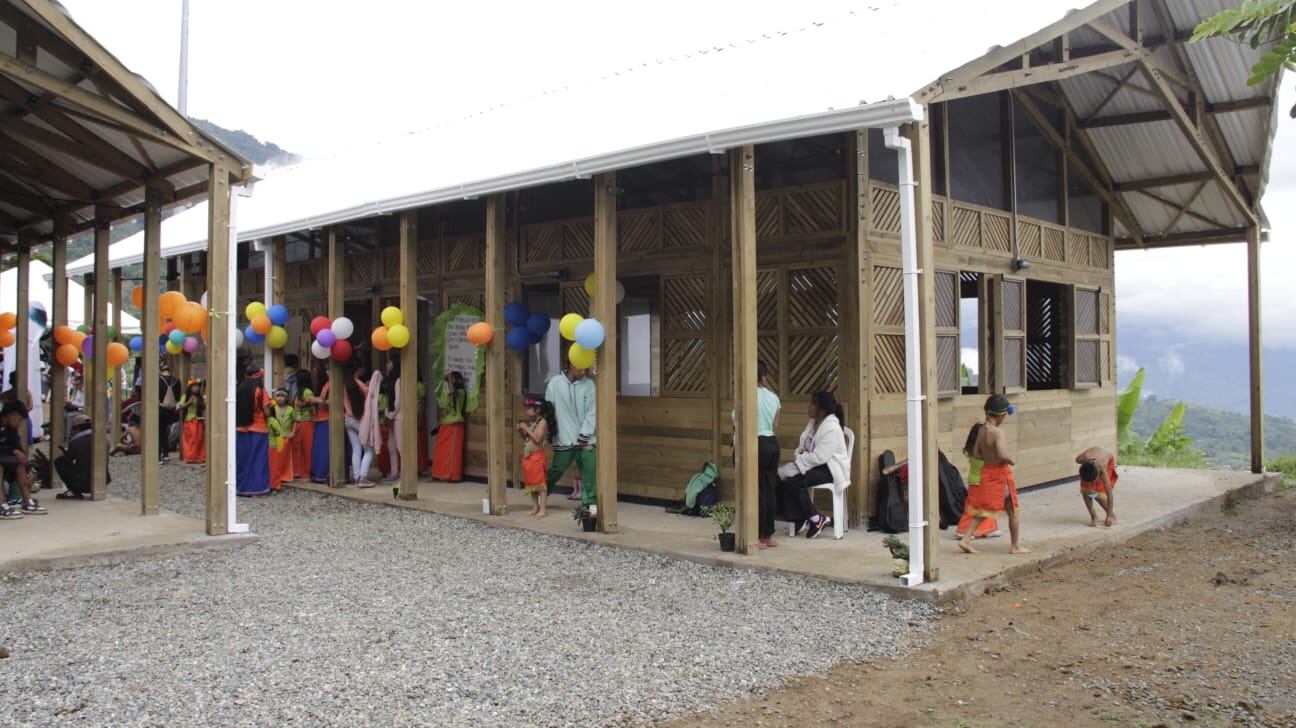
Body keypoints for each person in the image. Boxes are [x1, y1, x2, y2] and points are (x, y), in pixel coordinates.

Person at [960, 395, 1030, 555]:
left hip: (987, 472)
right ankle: (1015, 546)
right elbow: (1002, 454)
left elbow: (977, 452)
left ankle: (966, 539)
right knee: (1013, 509)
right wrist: (1010, 460)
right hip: (1000, 474)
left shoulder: (982, 430)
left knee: (984, 509)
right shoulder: (998, 432)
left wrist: (988, 457)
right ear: (1001, 415)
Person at [775, 390, 849, 539]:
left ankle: (816, 519)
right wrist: (799, 457)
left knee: (794, 482)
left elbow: (821, 456)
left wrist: (800, 462)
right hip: (812, 465)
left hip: (830, 468)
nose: (809, 407)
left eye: (812, 404)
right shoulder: (813, 423)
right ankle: (801, 517)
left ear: (822, 410)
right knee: (780, 479)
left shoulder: (832, 427)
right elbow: (802, 446)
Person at [732, 361, 782, 548]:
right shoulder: (774, 398)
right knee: (770, 490)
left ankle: (755, 534)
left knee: (756, 490)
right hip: (772, 445)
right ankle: (767, 535)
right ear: (762, 377)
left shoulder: (745, 397)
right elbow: (775, 427)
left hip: (755, 444)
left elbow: (738, 424)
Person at [545, 360, 597, 509]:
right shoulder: (555, 383)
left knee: (589, 471)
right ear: (571, 365)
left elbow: (592, 411)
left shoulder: (589, 384)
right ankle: (540, 494)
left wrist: (585, 434)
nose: (584, 372)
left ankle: (590, 505)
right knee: (556, 470)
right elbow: (549, 409)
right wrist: (550, 431)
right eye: (581, 368)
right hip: (564, 437)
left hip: (586, 439)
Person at [955, 423, 1001, 540]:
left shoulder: (971, 450)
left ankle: (987, 529)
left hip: (973, 482)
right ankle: (964, 529)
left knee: (979, 506)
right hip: (982, 482)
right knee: (982, 507)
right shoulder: (982, 452)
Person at [0, 401, 45, 515]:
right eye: (20, 419)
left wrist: (29, 469)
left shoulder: (11, 430)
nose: (20, 423)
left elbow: (19, 451)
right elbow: (14, 450)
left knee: (20, 465)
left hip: (4, 458)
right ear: (12, 414)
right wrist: (13, 451)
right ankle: (0, 505)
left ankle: (27, 502)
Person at [234, 364, 272, 496]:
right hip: (259, 429)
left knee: (243, 459)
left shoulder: (239, 389)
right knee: (258, 459)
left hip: (241, 429)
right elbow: (267, 411)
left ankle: (241, 487)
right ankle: (258, 487)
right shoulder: (260, 390)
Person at [432, 370, 471, 482]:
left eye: (452, 379)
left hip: (455, 424)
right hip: (445, 424)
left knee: (453, 452)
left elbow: (452, 393)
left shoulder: (461, 392)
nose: (450, 381)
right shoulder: (448, 391)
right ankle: (439, 473)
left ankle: (453, 476)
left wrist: (449, 379)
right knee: (440, 449)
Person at [518, 395, 552, 517]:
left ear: (537, 410)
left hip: (537, 456)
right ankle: (535, 507)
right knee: (531, 483)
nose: (527, 410)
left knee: (540, 484)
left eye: (529, 408)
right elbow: (527, 439)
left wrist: (526, 428)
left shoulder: (542, 423)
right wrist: (521, 430)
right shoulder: (533, 423)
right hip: (529, 456)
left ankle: (542, 509)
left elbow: (537, 439)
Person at [344, 364, 378, 486]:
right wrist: (370, 384)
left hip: (348, 420)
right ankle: (363, 478)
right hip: (359, 421)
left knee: (356, 449)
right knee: (369, 449)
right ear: (358, 370)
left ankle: (357, 477)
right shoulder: (358, 383)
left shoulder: (344, 385)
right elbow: (370, 395)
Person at [54, 413, 94, 499]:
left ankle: (74, 492)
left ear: (78, 428)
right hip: (101, 481)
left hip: (84, 484)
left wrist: (64, 453)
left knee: (59, 461)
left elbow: (68, 460)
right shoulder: (103, 440)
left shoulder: (75, 442)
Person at [1076, 445, 1118, 527]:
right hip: (1089, 466)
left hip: (1107, 460)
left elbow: (1109, 494)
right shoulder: (1083, 458)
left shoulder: (1103, 469)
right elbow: (1077, 460)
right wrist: (1086, 463)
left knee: (1098, 493)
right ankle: (1094, 517)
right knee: (1085, 490)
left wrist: (1108, 515)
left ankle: (1112, 516)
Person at [267, 388, 296, 492]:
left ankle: (285, 475)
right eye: (278, 396)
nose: (280, 398)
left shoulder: (290, 409)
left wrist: (293, 432)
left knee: (285, 458)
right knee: (276, 459)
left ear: (287, 397)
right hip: (276, 437)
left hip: (287, 436)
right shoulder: (273, 408)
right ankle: (277, 476)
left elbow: (294, 421)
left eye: (282, 396)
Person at [291, 369, 315, 481]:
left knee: (300, 447)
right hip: (306, 422)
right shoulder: (307, 391)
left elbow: (310, 404)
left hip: (301, 422)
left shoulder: (301, 392)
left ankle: (299, 471)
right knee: (306, 447)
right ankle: (305, 470)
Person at [309, 366, 330, 483]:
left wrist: (315, 400)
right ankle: (318, 473)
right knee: (319, 448)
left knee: (323, 448)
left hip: (327, 419)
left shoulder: (332, 384)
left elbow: (332, 401)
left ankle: (321, 474)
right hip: (320, 418)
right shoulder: (326, 384)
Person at [178, 379, 206, 464]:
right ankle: (190, 457)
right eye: (194, 386)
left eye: (197, 386)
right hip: (189, 421)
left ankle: (199, 457)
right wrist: (188, 402)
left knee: (199, 440)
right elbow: (178, 408)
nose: (196, 388)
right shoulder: (185, 396)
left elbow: (204, 407)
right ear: (190, 388)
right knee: (191, 440)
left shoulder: (200, 397)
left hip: (199, 420)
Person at [157, 362, 181, 462]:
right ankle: (166, 454)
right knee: (166, 432)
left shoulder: (158, 381)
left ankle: (159, 455)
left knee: (159, 432)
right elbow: (179, 396)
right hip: (172, 411)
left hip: (161, 409)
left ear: (160, 371)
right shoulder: (177, 381)